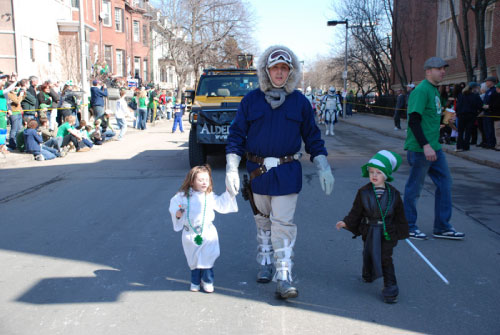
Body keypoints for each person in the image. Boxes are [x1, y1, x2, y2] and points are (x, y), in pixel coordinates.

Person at [225, 45, 334, 299]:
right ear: (267, 70)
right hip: (258, 174)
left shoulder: (300, 102)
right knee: (263, 222)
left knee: (283, 225)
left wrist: (323, 166)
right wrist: (231, 166)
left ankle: (283, 276)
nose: (280, 73)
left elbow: (313, 138)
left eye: (285, 68)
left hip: (287, 174)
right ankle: (264, 261)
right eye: (275, 68)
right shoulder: (251, 101)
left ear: (290, 72)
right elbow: (236, 135)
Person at [403, 56, 465, 241]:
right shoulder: (421, 91)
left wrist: (445, 121)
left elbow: (429, 119)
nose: (443, 71)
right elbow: (413, 120)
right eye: (439, 68)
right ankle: (408, 226)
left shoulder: (434, 91)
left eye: (444, 68)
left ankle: (442, 226)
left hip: (434, 147)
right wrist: (425, 145)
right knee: (414, 188)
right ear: (428, 71)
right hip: (421, 149)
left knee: (445, 184)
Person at [336, 150, 409, 303]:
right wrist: (347, 222)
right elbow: (356, 211)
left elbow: (400, 215)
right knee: (368, 251)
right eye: (371, 172)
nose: (374, 176)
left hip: (387, 231)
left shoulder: (394, 194)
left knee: (385, 258)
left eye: (378, 172)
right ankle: (368, 273)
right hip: (369, 229)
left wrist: (403, 231)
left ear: (386, 175)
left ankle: (391, 287)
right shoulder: (363, 192)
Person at [169, 165, 238, 293]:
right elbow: (174, 205)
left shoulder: (209, 196)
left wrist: (229, 193)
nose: (204, 182)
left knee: (207, 258)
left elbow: (222, 203)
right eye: (200, 180)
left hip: (207, 233)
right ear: (192, 181)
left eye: (207, 179)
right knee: (193, 260)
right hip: (190, 233)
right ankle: (195, 282)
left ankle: (208, 281)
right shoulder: (182, 196)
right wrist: (177, 213)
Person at [456, 82, 482, 151]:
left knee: (460, 131)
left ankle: (459, 146)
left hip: (461, 115)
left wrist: (458, 113)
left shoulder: (460, 95)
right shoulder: (475, 96)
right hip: (471, 115)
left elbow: (458, 106)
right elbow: (480, 105)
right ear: (473, 88)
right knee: (468, 131)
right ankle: (466, 146)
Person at [480, 76, 498, 149]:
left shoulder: (494, 90)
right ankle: (488, 142)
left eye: (487, 81)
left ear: (491, 82)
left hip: (491, 112)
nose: (486, 83)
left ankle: (492, 143)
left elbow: (495, 102)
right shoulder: (488, 91)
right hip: (486, 112)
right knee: (486, 128)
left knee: (490, 129)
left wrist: (489, 106)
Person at [486, 82, 500, 151]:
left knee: (497, 132)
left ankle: (498, 146)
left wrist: (489, 106)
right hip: (496, 116)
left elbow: (495, 106)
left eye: (497, 88)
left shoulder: (497, 96)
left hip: (497, 116)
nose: (496, 89)